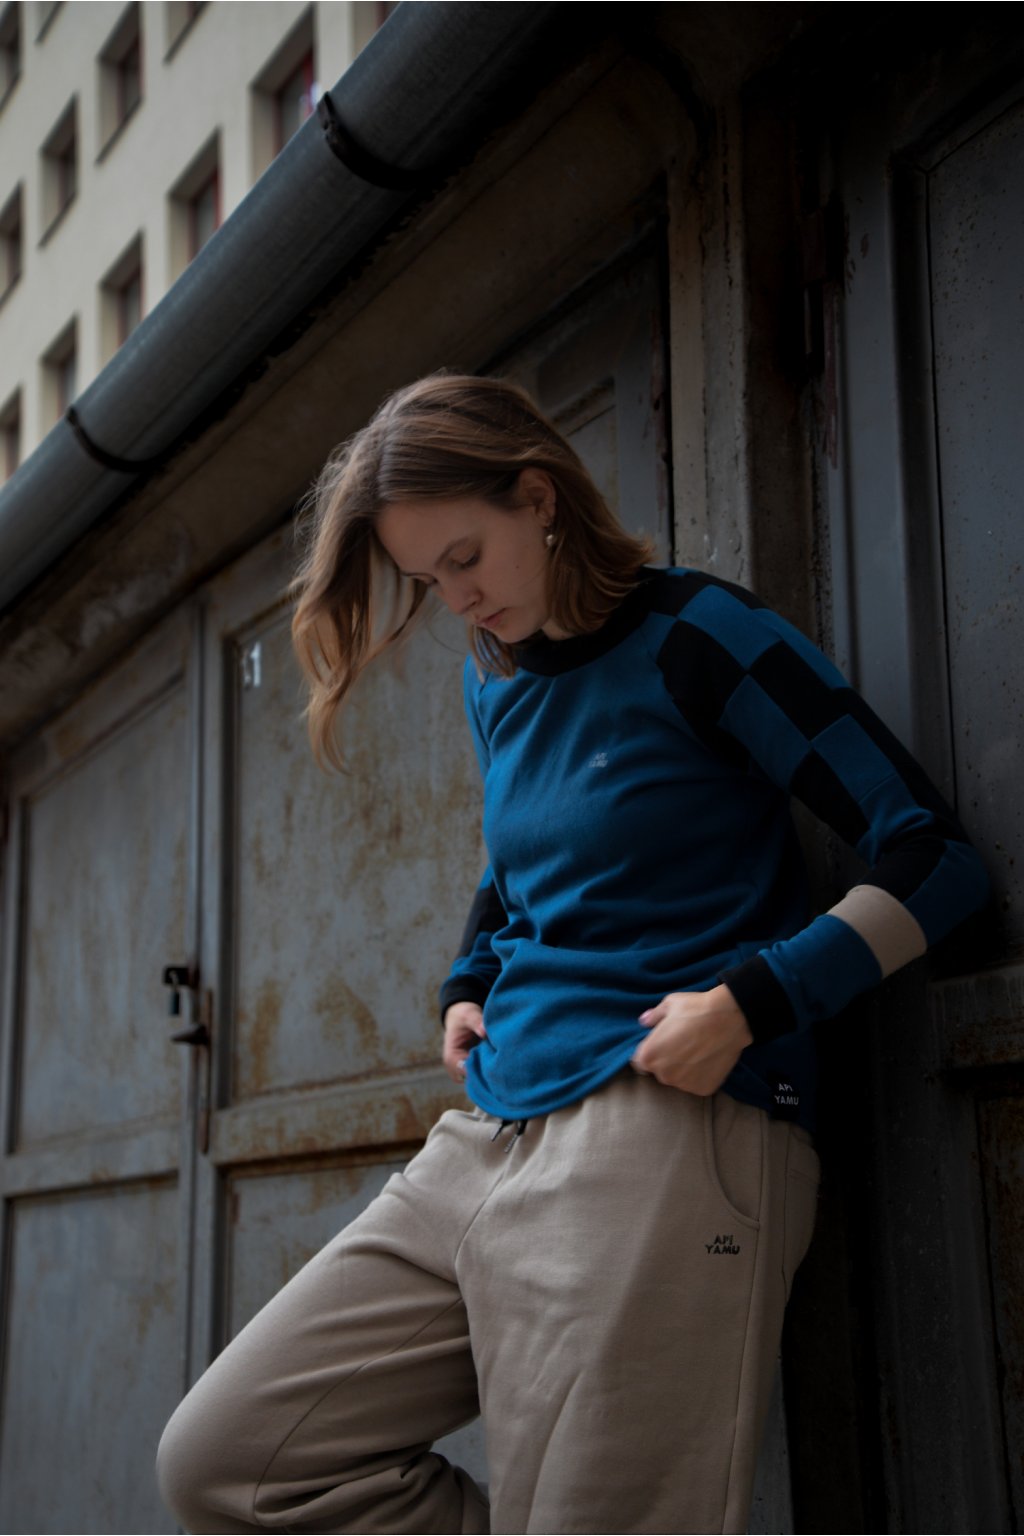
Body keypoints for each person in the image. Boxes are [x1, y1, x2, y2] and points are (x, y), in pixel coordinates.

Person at [156, 372, 990, 1535]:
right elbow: (522, 864)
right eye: (426, 579)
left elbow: (934, 860)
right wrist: (469, 979)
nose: (456, 599)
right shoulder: (492, 679)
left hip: (658, 1124)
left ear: (539, 497)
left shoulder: (700, 636)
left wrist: (751, 1003)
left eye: (464, 557)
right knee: (229, 1463)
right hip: (487, 1133)